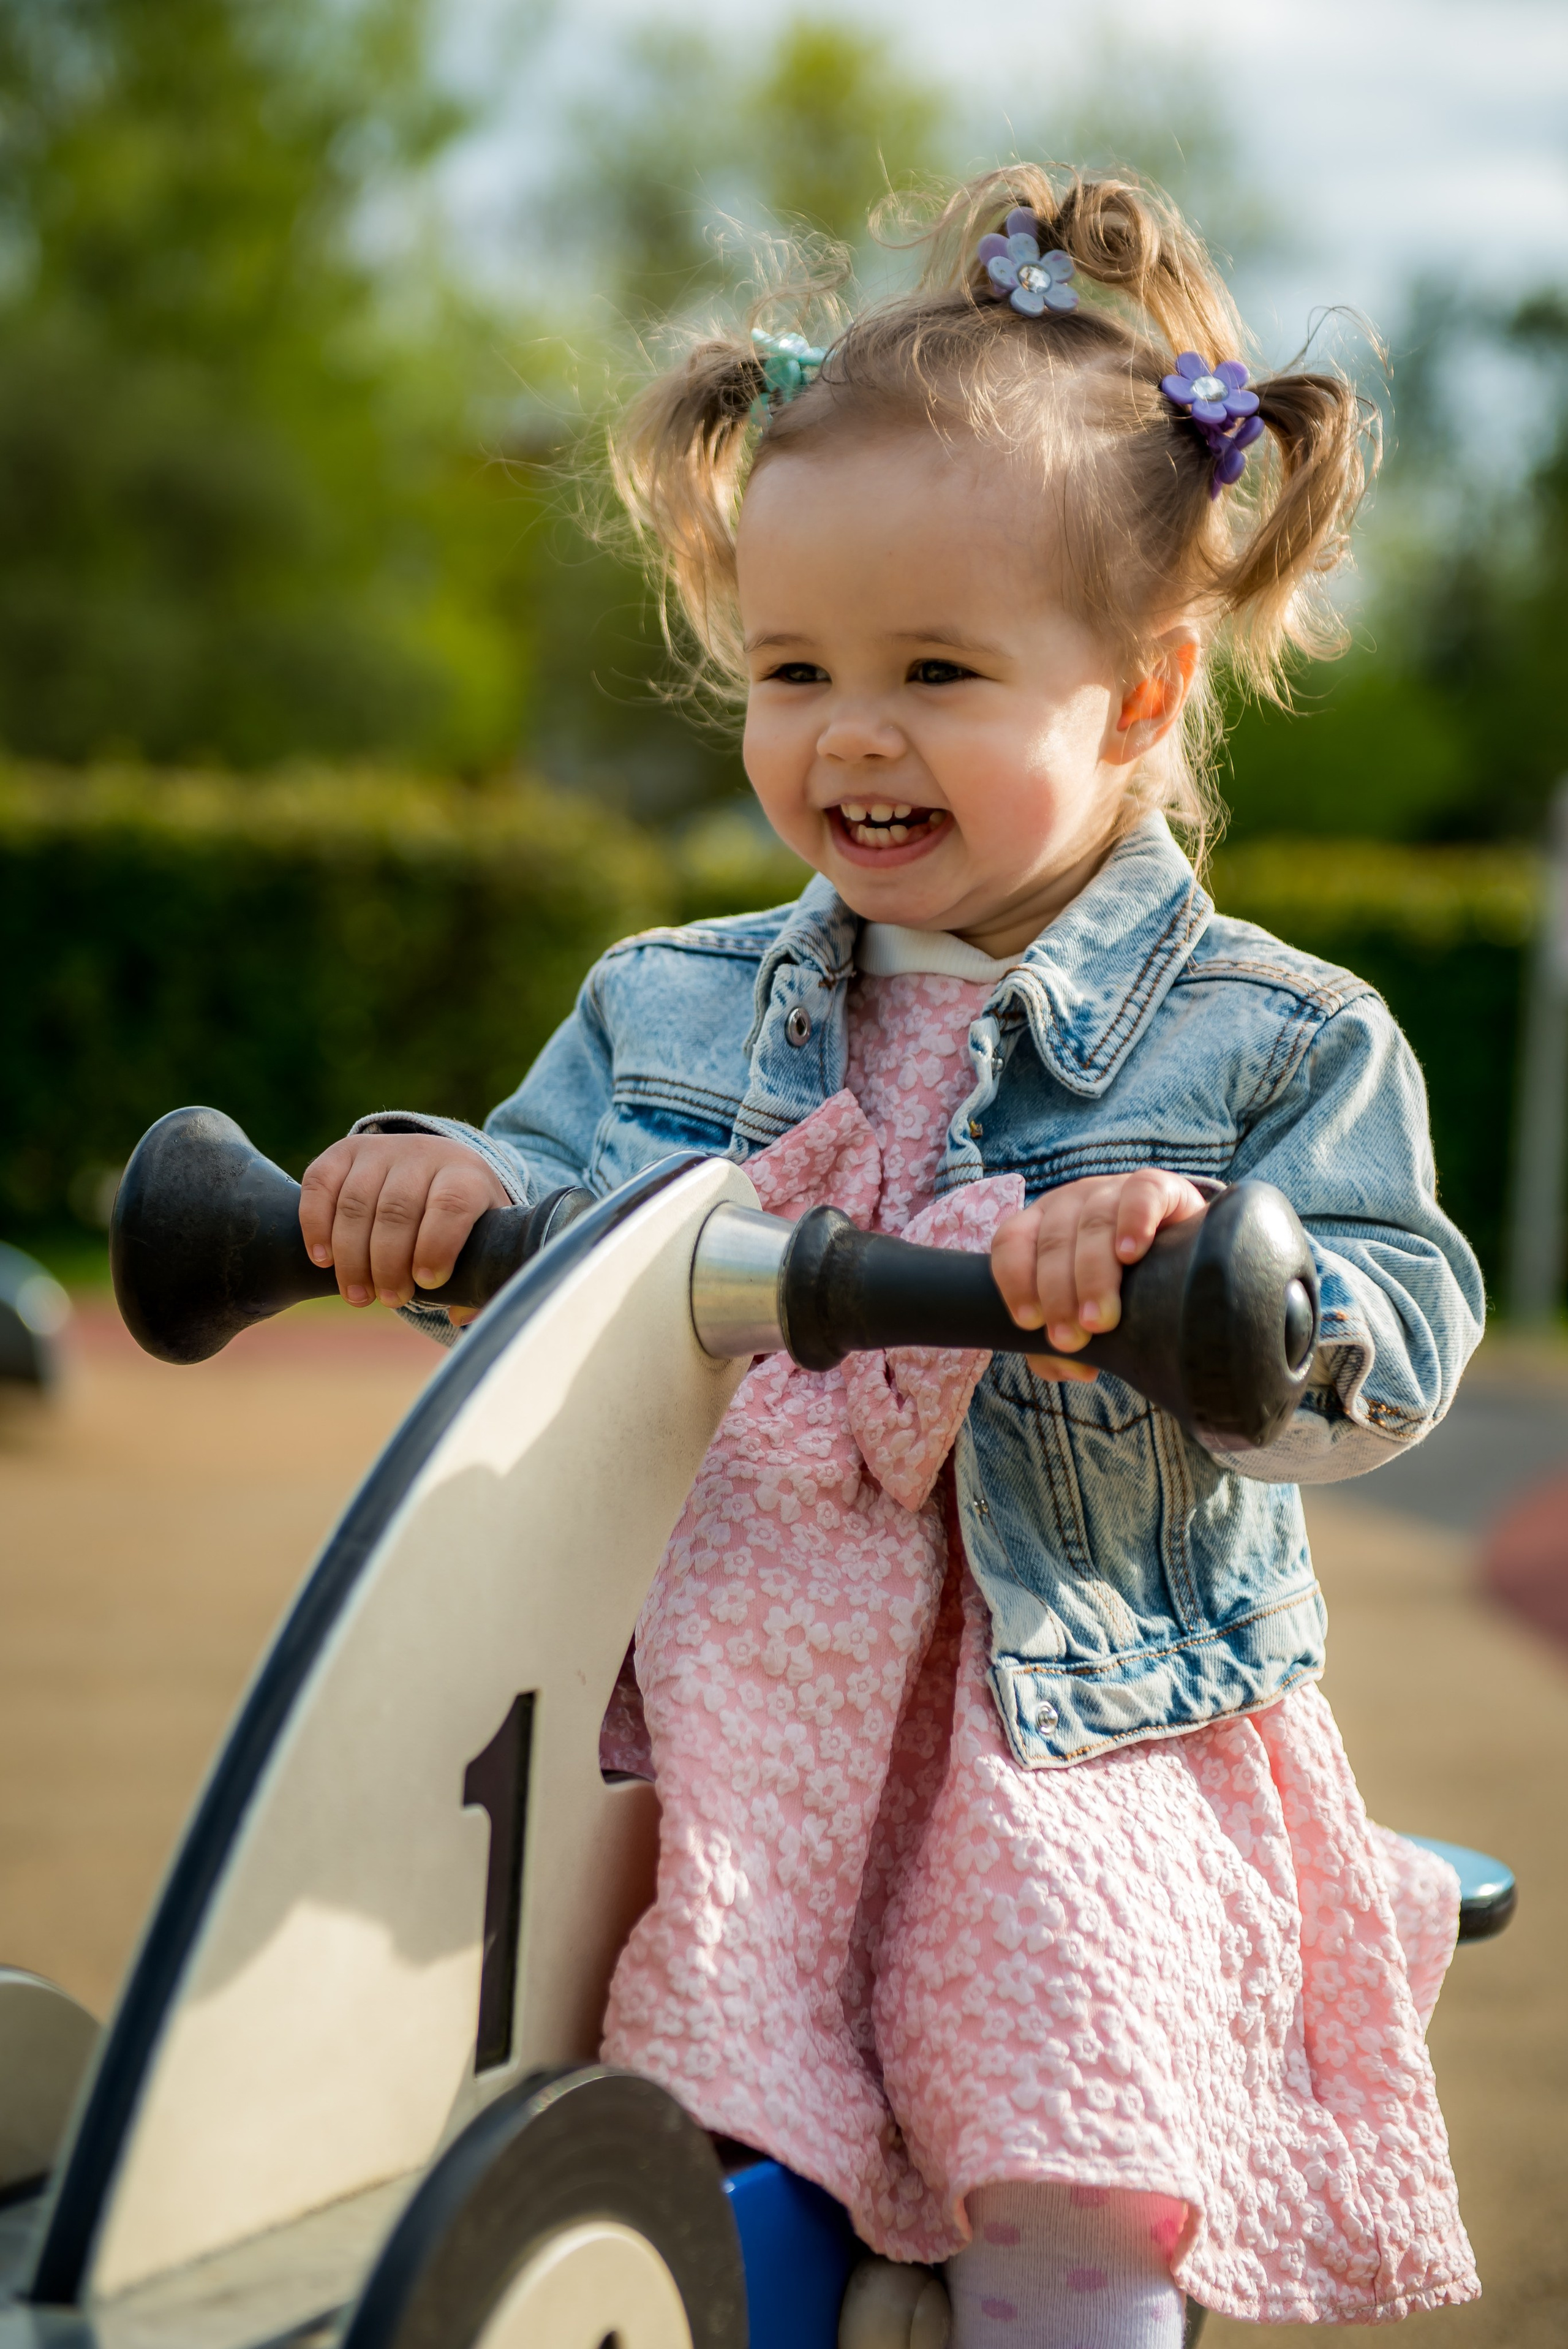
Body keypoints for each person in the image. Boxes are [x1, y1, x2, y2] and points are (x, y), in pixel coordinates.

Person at [299, 168, 1484, 2342]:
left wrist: (1222, 1270)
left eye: (937, 670)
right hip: (740, 1726)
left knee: (1068, 2161)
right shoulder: (668, 1002)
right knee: (600, 2124)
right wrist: (425, 1186)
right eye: (792, 667)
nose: (850, 731)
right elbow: (539, 1220)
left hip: (1063, 1748)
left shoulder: (1273, 1040)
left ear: (1140, 696)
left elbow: (1387, 1339)